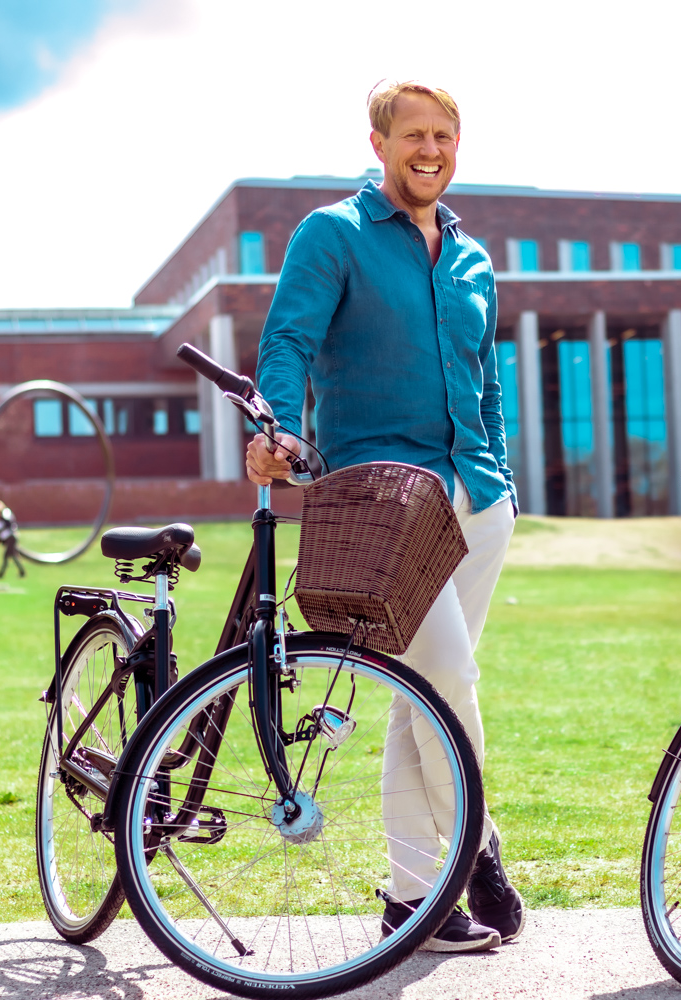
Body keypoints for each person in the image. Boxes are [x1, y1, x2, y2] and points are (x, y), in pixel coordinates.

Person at [248, 79, 523, 954]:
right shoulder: (332, 234)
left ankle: (414, 903)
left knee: (419, 705)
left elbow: (486, 383)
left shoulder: (474, 259)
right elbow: (286, 340)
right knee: (448, 684)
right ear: (378, 141)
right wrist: (282, 429)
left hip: (477, 503)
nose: (430, 150)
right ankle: (479, 851)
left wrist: (501, 479)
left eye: (445, 134)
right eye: (414, 134)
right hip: (385, 504)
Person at [0, 499, 25, 579]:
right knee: (13, 555)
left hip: (11, 538)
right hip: (8, 539)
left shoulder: (5, 513)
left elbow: (8, 523)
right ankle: (22, 572)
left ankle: (1, 574)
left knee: (6, 556)